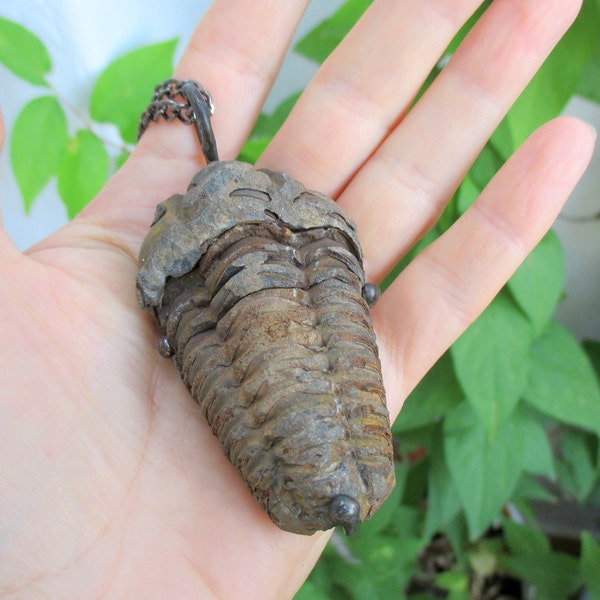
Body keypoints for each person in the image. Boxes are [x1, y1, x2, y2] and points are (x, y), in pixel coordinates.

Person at [0, 0, 595, 597]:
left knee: (342, 448)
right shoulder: (237, 260)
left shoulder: (208, 265)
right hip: (269, 424)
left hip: (333, 396)